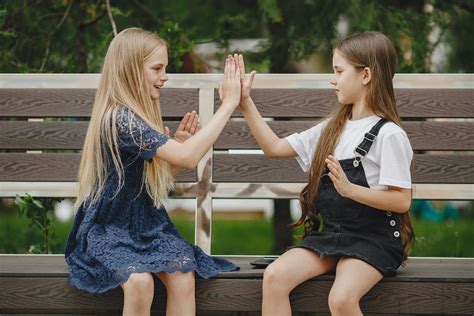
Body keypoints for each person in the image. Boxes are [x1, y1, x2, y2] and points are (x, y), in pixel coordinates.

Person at [236, 31, 415, 316]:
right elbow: (274, 147)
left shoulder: (389, 135)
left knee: (341, 298)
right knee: (274, 277)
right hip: (332, 236)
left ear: (365, 75)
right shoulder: (332, 128)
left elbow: (402, 201)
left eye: (339, 71)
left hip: (374, 240)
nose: (333, 79)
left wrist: (351, 190)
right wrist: (244, 102)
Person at [65, 27, 241, 316]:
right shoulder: (119, 119)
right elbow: (188, 158)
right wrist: (229, 104)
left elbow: (155, 176)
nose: (165, 76)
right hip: (108, 230)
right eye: (157, 68)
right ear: (131, 70)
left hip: (146, 226)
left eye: (165, 68)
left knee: (183, 274)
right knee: (139, 283)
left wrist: (173, 157)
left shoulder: (135, 117)